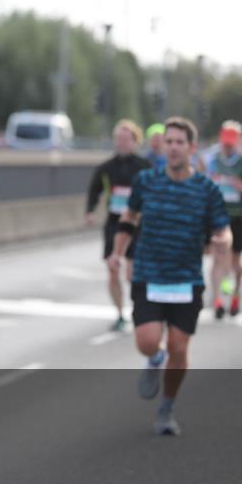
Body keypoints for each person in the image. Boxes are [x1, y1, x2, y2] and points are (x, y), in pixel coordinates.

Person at [108, 117, 231, 436]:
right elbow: (130, 216)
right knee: (147, 342)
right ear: (162, 146)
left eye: (180, 142)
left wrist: (223, 241)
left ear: (191, 148)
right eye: (169, 141)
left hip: (186, 278)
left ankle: (167, 407)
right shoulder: (146, 180)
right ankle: (154, 358)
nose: (173, 147)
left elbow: (222, 227)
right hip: (149, 273)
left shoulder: (207, 189)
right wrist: (117, 253)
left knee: (179, 347)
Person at [86, 119, 152, 330]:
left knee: (132, 272)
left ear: (135, 141)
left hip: (137, 224)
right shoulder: (106, 167)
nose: (121, 143)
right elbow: (94, 190)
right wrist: (90, 211)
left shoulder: (144, 167)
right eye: (118, 139)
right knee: (112, 269)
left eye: (126, 139)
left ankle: (138, 307)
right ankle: (119, 313)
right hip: (114, 223)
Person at [205, 121, 242, 318]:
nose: (227, 146)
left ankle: (236, 293)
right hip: (218, 216)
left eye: (231, 143)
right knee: (218, 256)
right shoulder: (213, 160)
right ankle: (218, 299)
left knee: (235, 261)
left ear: (237, 142)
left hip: (240, 216)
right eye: (224, 142)